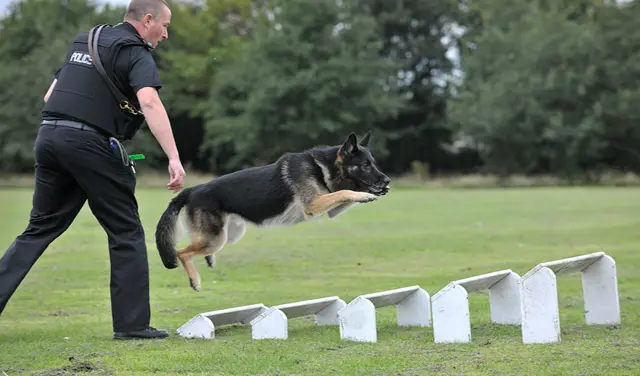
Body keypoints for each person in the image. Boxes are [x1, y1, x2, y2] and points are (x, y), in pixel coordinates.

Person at [0, 0, 185, 340]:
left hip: (49, 137)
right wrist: (173, 156)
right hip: (88, 144)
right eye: (165, 25)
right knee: (126, 231)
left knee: (39, 228)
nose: (166, 34)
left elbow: (49, 95)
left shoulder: (85, 41)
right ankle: (132, 326)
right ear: (147, 21)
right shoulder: (135, 50)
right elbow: (149, 101)